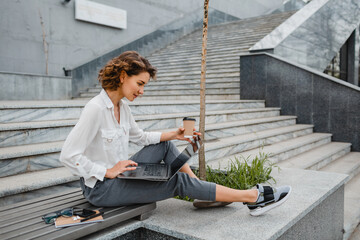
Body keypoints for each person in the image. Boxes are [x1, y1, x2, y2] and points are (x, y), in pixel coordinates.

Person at [60, 51, 291, 216]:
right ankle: (253, 198)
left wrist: (176, 134)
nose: (141, 91)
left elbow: (140, 137)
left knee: (165, 146)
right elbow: (69, 155)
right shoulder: (96, 109)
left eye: (144, 86)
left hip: (123, 175)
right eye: (139, 84)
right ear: (122, 76)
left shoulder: (123, 107)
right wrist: (107, 171)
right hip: (101, 189)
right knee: (176, 181)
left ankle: (199, 188)